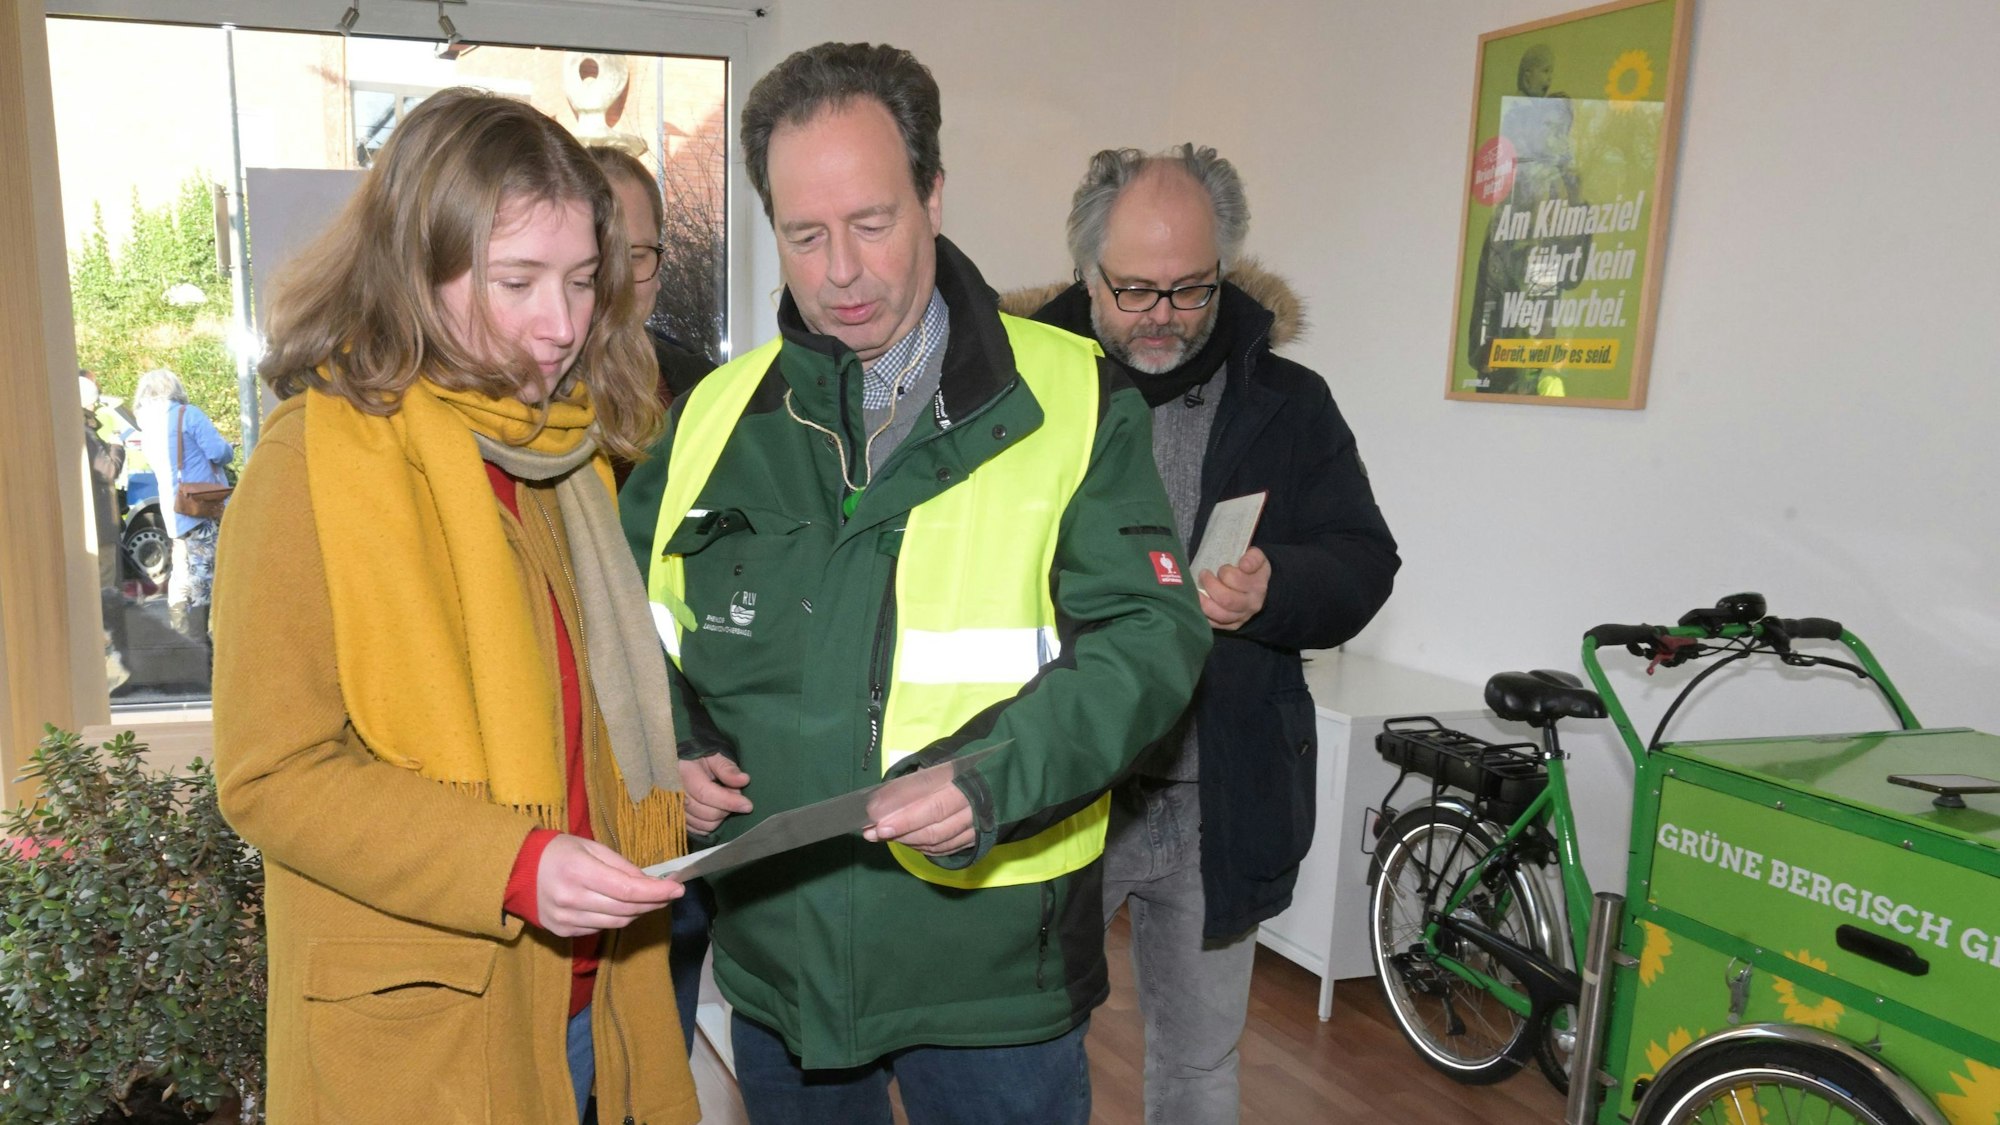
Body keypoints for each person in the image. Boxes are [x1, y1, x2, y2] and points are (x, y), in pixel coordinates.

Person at [618, 42, 1211, 1125]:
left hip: (990, 984)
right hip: (780, 972)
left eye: (871, 223)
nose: (840, 269)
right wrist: (678, 741)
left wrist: (992, 778)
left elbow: (1148, 639)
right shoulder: (710, 418)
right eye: (804, 234)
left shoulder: (1075, 397)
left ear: (932, 197)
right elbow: (628, 623)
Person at [210, 88, 698, 1125]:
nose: (560, 325)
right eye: (516, 281)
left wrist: (649, 781)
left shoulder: (562, 453)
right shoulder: (309, 464)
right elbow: (271, 771)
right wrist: (514, 863)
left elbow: (569, 715)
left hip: (590, 1003)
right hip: (425, 1038)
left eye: (579, 282)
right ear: (411, 270)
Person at [1028, 144, 1400, 1123]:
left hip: (1217, 799)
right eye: (1136, 290)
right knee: (1026, 1057)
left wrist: (1278, 585)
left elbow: (1362, 561)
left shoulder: (1287, 403)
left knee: (1198, 1069)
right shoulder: (1017, 398)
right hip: (1058, 791)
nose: (1162, 316)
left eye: (1190, 291)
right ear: (1085, 272)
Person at [589, 140, 719, 1054]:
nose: (624, 276)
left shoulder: (704, 394)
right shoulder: (516, 397)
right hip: (571, 777)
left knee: (660, 1036)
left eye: (642, 253)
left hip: (681, 767)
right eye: (605, 247)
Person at [587, 145, 713, 416]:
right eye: (598, 257)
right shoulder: (510, 404)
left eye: (635, 257)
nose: (617, 281)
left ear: (658, 268)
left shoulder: (705, 391)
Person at [130, 367, 231, 644]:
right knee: (203, 571)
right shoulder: (188, 415)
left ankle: (181, 635)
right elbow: (219, 452)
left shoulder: (146, 426)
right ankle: (201, 643)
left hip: (173, 510)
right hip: (201, 506)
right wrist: (229, 449)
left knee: (182, 572)